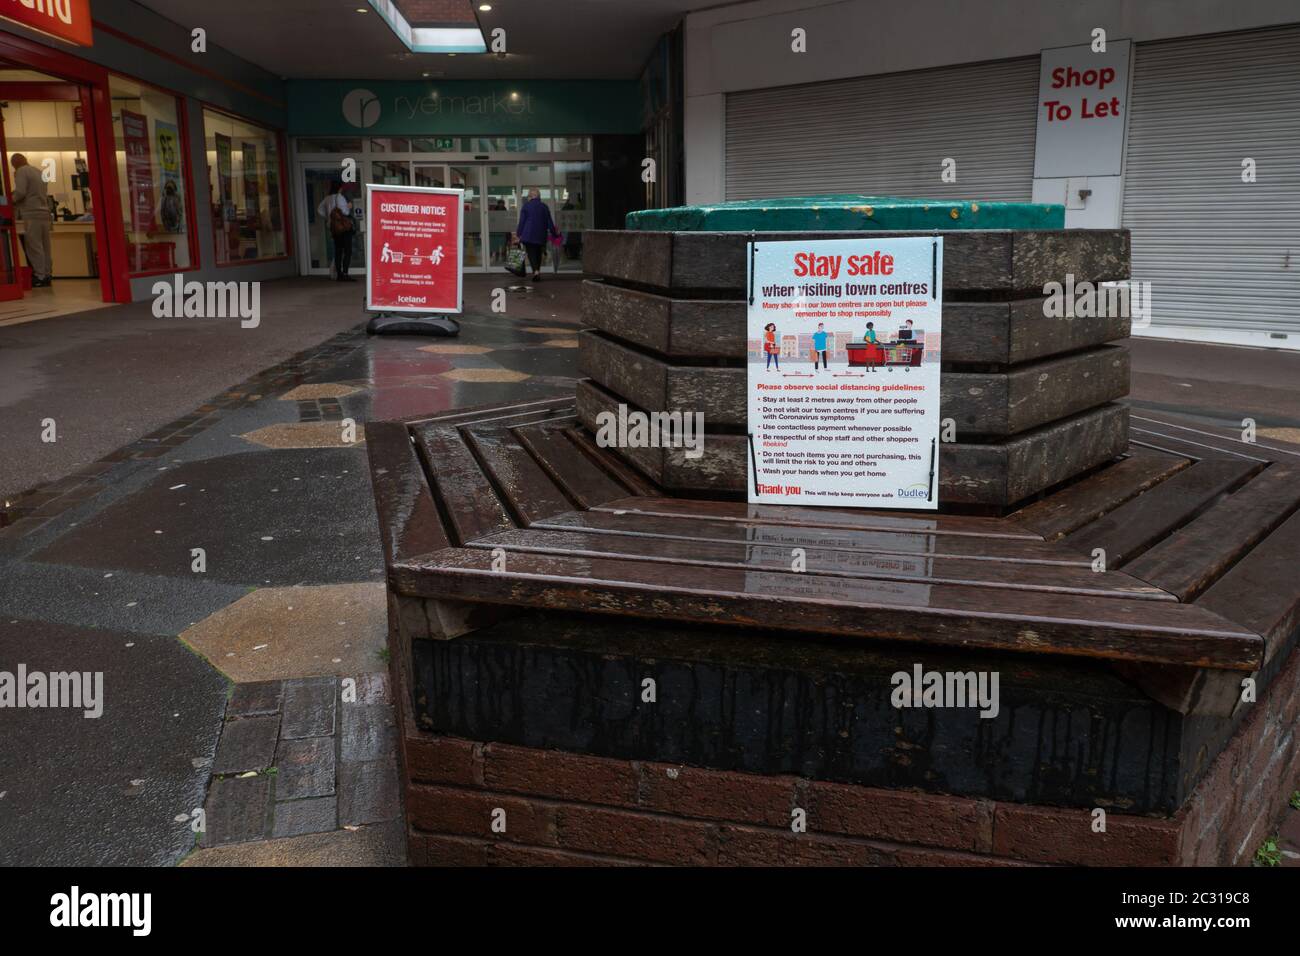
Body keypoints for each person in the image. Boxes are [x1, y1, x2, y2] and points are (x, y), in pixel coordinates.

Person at [10, 153, 52, 287]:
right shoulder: (38, 171)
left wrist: (10, 200)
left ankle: (39, 276)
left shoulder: (21, 171)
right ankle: (47, 274)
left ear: (15, 164)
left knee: (34, 247)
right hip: (44, 213)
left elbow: (21, 192)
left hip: (30, 213)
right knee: (46, 246)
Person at [513, 187, 559, 282]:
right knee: (538, 253)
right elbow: (549, 222)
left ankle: (536, 272)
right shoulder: (544, 207)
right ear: (539, 196)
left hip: (528, 234)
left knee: (531, 253)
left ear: (530, 196)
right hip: (541, 234)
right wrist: (554, 234)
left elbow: (522, 222)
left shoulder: (526, 206)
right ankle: (537, 271)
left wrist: (518, 233)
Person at [317, 181, 354, 281]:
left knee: (338, 251)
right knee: (347, 251)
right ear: (339, 188)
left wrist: (329, 218)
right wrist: (349, 207)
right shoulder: (340, 197)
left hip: (334, 229)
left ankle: (339, 274)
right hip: (344, 228)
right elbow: (345, 212)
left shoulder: (327, 199)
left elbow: (319, 210)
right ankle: (345, 273)